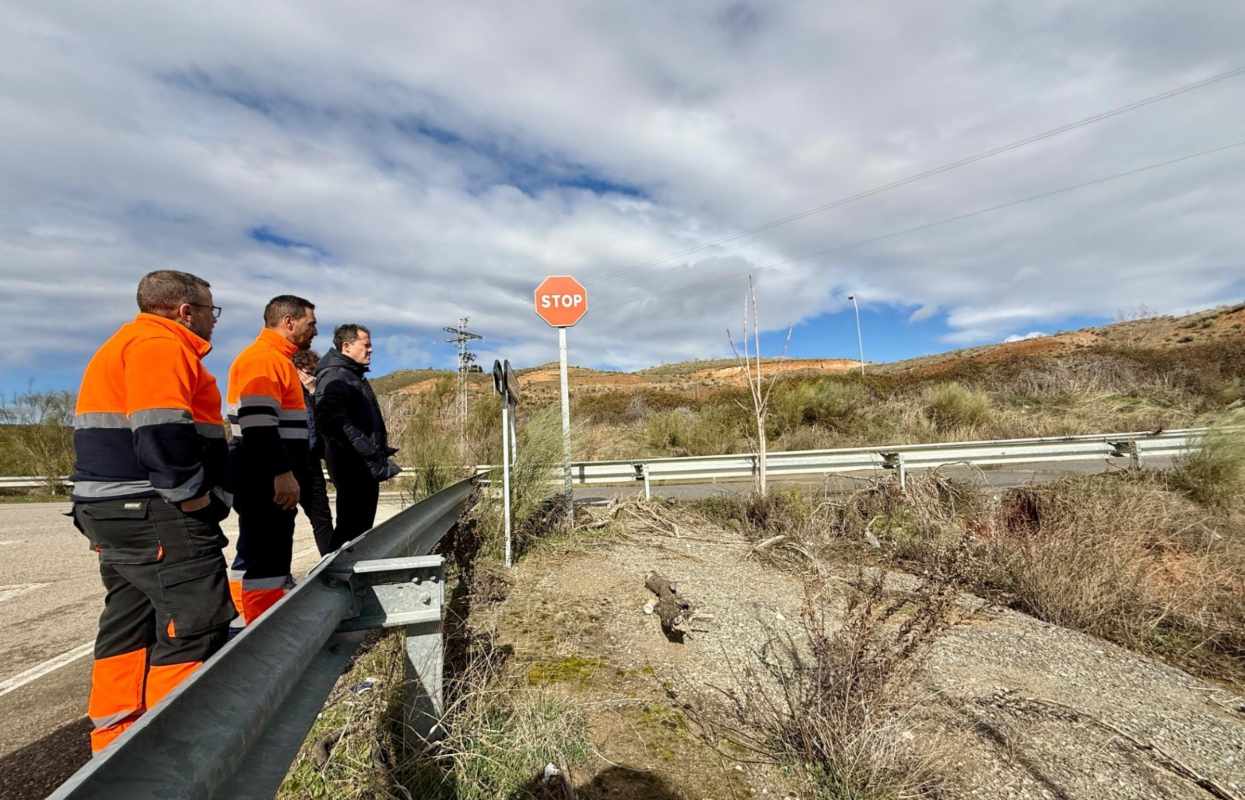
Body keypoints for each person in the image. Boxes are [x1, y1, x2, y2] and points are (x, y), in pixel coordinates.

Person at [70, 270, 236, 753]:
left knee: (131, 619)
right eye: (210, 310)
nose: (212, 321)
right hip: (156, 509)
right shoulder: (159, 346)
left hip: (117, 511)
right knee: (195, 622)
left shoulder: (124, 344)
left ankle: (116, 740)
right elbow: (160, 429)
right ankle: (174, 750)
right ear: (185, 311)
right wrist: (193, 496)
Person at [226, 295, 317, 623]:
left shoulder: (276, 359)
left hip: (264, 476)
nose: (315, 331)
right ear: (288, 322)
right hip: (265, 480)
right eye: (311, 324)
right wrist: (282, 473)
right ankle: (263, 630)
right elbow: (259, 425)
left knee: (255, 553)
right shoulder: (264, 359)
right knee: (267, 560)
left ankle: (242, 617)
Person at [315, 323, 400, 550]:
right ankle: (335, 578)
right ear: (347, 346)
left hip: (360, 463)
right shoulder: (336, 376)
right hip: (353, 464)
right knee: (350, 531)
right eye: (366, 345)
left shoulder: (351, 375)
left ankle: (347, 576)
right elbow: (332, 422)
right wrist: (366, 449)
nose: (370, 350)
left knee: (358, 530)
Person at [292, 349, 335, 556]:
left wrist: (314, 393)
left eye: (313, 372)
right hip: (288, 462)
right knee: (282, 521)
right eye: (307, 371)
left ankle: (330, 566)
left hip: (311, 463)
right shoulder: (287, 393)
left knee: (322, 519)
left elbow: (325, 426)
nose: (310, 377)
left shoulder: (315, 394)